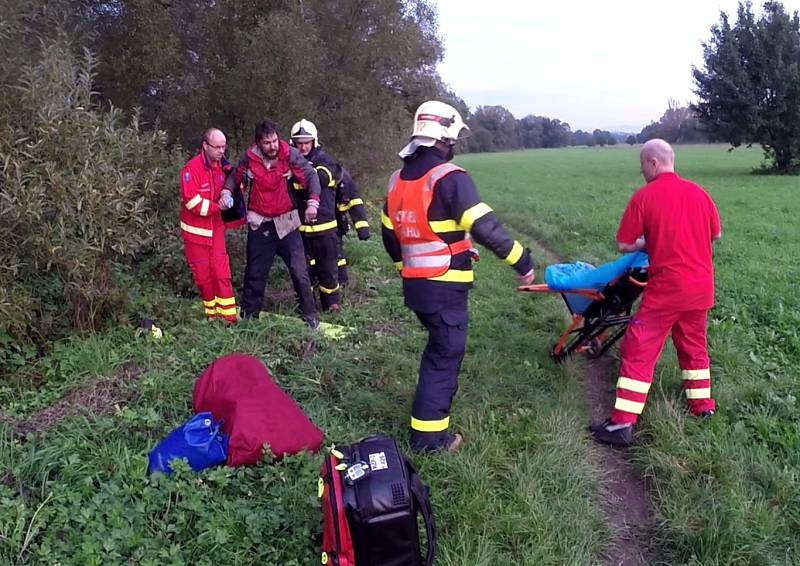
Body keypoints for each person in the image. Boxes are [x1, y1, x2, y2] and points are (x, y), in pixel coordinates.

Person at [382, 100, 535, 454]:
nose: (455, 146)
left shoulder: (397, 180)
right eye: (453, 139)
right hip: (444, 288)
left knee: (437, 351)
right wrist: (523, 262)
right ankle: (429, 440)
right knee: (444, 356)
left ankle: (428, 430)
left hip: (416, 287)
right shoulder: (449, 178)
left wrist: (406, 268)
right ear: (443, 137)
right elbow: (486, 228)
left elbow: (392, 234)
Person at [590, 138, 722, 447]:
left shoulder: (645, 197)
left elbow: (624, 245)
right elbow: (716, 234)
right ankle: (703, 408)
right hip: (701, 288)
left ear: (653, 163)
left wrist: (649, 244)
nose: (642, 172)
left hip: (668, 290)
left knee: (639, 348)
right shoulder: (700, 194)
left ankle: (622, 425)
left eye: (642, 166)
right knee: (694, 346)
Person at [224, 120, 322, 328]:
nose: (273, 146)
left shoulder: (290, 154)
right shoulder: (249, 158)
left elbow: (311, 176)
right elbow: (235, 176)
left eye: (275, 140)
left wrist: (313, 202)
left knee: (299, 270)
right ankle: (250, 319)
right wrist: (226, 191)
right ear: (259, 143)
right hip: (261, 224)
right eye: (267, 143)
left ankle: (310, 316)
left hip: (287, 222)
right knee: (255, 272)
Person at [179, 127, 238, 323]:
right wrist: (217, 207)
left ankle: (229, 320)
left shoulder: (224, 167)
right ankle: (211, 318)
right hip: (196, 236)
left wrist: (229, 193)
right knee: (204, 279)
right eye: (217, 147)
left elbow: (237, 181)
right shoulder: (191, 170)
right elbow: (192, 202)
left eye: (224, 147)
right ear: (205, 146)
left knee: (222, 275)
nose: (222, 151)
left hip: (217, 231)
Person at [288, 118, 345, 311]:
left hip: (325, 228)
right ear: (293, 143)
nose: (303, 147)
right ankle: (306, 306)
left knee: (328, 268)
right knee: (303, 271)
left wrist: (296, 176)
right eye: (299, 143)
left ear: (314, 141)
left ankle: (332, 305)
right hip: (300, 229)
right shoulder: (289, 162)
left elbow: (319, 178)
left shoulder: (325, 160)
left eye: (307, 142)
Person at [335, 167, 371, 286]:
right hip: (320, 223)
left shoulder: (345, 179)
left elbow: (355, 203)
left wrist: (363, 230)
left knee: (338, 252)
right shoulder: (318, 176)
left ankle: (343, 283)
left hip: (338, 222)